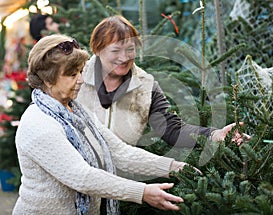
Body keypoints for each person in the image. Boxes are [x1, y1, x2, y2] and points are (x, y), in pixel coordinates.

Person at [12, 34, 188, 214]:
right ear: (48, 79)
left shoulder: (78, 112)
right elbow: (81, 177)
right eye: (72, 74)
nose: (80, 79)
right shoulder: (38, 123)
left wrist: (174, 168)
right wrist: (142, 192)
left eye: (81, 72)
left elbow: (119, 152)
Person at [76, 15, 250, 148]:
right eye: (115, 51)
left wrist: (214, 135)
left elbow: (172, 129)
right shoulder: (75, 78)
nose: (124, 58)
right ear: (97, 50)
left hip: (120, 181)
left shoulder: (146, 86)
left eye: (130, 49)